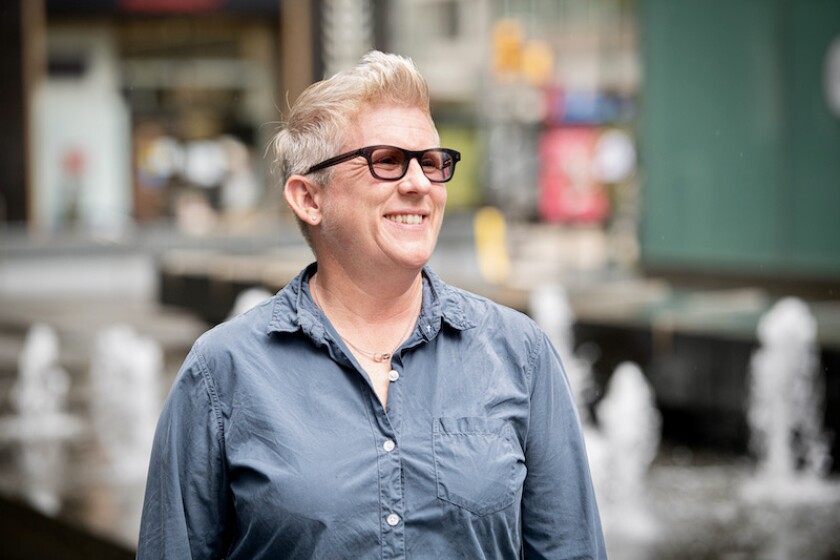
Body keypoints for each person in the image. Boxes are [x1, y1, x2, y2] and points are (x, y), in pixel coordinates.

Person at [137, 51, 606, 559]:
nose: (419, 184)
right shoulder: (221, 373)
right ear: (309, 199)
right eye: (387, 161)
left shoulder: (521, 354)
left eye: (431, 162)